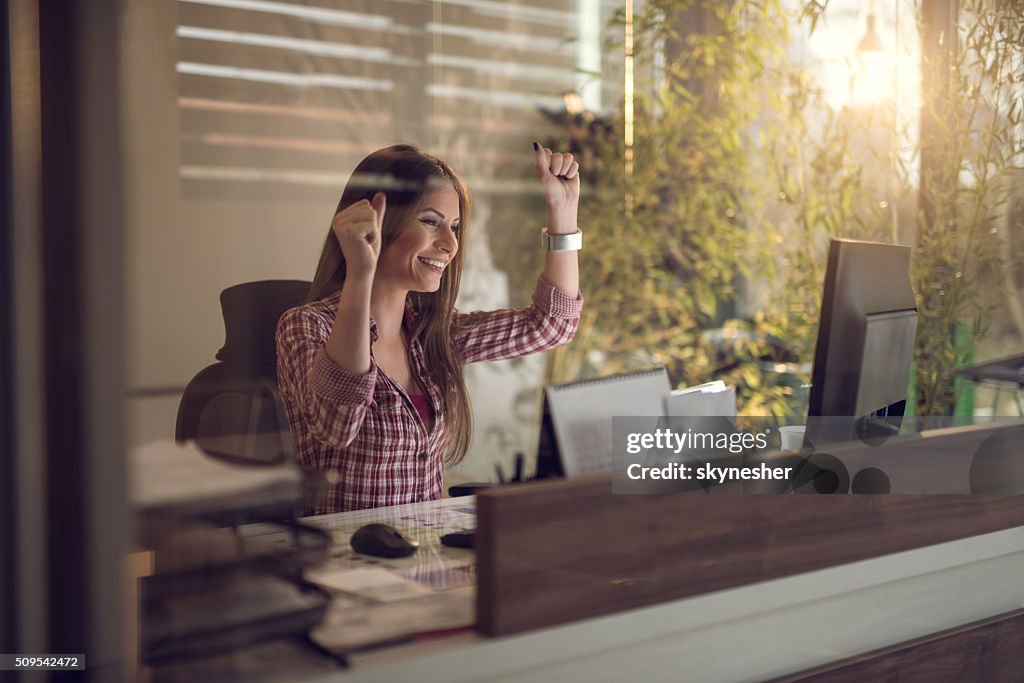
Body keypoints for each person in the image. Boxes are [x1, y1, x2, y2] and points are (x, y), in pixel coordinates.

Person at [276, 143, 583, 513]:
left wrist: (563, 210)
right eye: (430, 221)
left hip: (424, 559)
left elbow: (552, 325)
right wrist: (360, 270)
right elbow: (337, 425)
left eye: (453, 227)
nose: (450, 244)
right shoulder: (305, 326)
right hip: (347, 559)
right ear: (378, 222)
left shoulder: (431, 334)